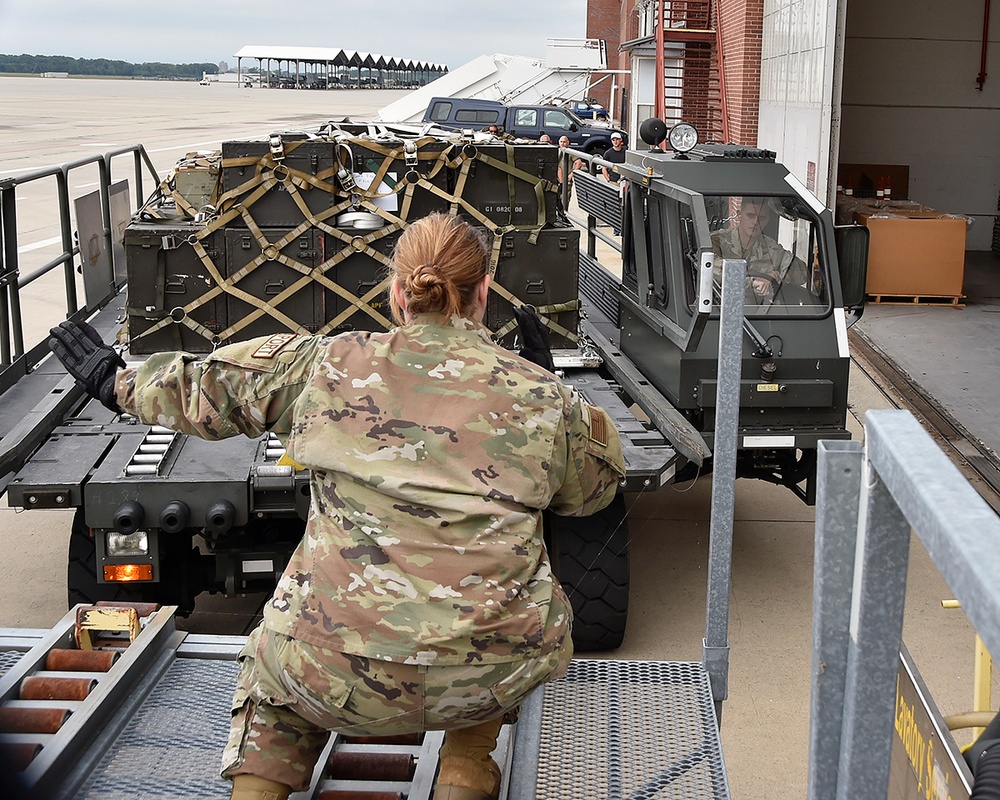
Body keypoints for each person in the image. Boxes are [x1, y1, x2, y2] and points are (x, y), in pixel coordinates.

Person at [48, 213, 626, 800]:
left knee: (274, 682)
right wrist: (551, 395)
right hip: (488, 675)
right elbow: (592, 494)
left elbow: (209, 387)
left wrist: (116, 384)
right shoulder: (542, 397)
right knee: (497, 635)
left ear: (397, 293)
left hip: (333, 676)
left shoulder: (324, 365)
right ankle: (466, 768)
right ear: (483, 292)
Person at [710, 196, 812, 302]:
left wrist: (774, 276)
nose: (756, 222)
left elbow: (802, 271)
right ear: (739, 215)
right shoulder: (718, 241)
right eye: (751, 216)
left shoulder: (770, 248)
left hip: (756, 315)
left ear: (767, 220)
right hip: (714, 310)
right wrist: (752, 282)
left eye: (761, 218)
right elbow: (709, 265)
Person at [557, 135, 584, 203]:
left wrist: (572, 174)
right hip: (556, 179)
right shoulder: (557, 151)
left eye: (564, 142)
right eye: (561, 142)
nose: (562, 143)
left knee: (565, 200)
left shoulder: (570, 152)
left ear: (568, 142)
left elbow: (579, 163)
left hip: (566, 180)